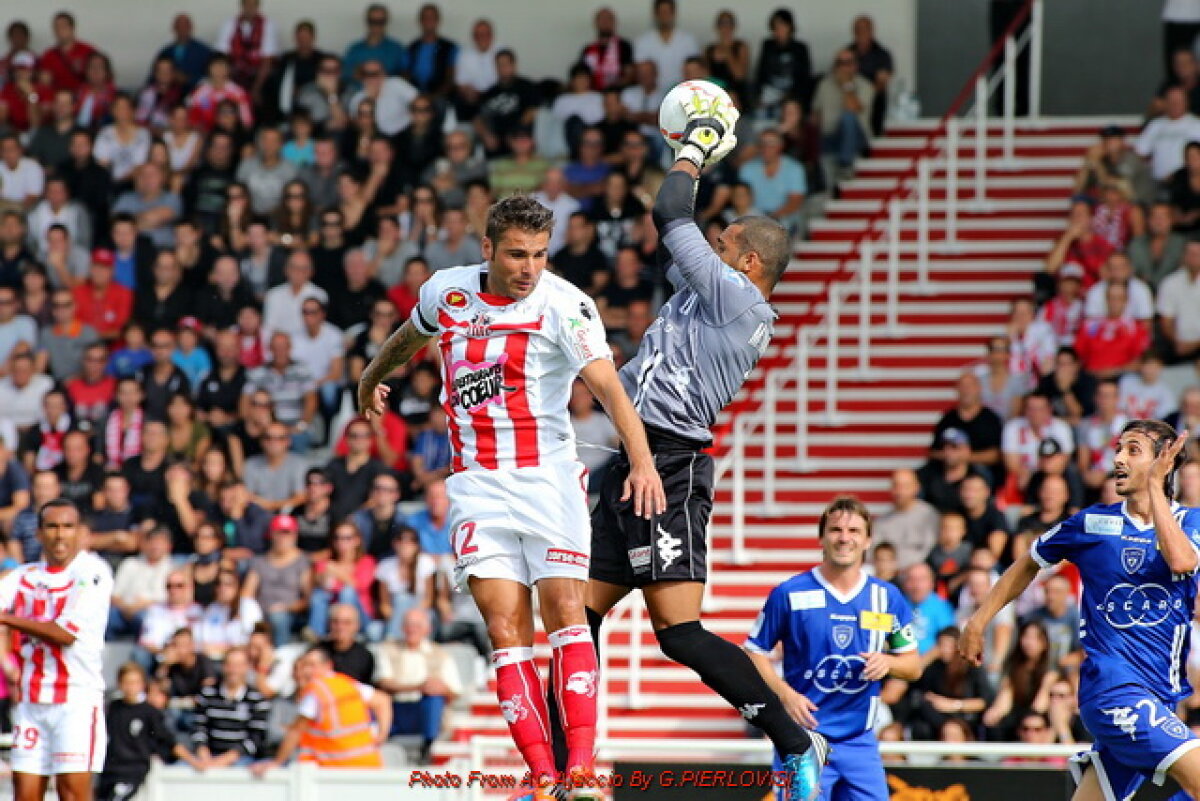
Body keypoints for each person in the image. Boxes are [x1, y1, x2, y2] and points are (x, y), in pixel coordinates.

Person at [537, 97, 826, 800]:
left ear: (748, 262)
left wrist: (696, 145)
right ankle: (568, 775)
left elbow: (671, 210)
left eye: (722, 243)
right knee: (576, 619)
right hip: (632, 456)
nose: (709, 247)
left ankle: (795, 744)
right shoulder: (712, 294)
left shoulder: (738, 300)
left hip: (669, 465)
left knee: (678, 631)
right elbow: (666, 218)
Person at [357, 191, 666, 793]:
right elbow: (410, 335)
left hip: (548, 480)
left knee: (567, 615)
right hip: (477, 486)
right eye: (518, 255)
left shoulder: (565, 305)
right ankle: (543, 776)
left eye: (541, 254)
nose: (530, 268)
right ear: (488, 249)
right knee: (505, 632)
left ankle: (582, 768)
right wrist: (371, 377)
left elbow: (609, 387)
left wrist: (642, 462)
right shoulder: (447, 291)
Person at [962, 419, 1200, 800]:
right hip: (1114, 689)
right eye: (1118, 449)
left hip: (1160, 694)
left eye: (1133, 450)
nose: (1118, 459)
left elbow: (1182, 560)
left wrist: (1155, 489)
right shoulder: (1092, 522)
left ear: (1164, 462)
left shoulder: (1192, 522)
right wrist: (978, 621)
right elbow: (1028, 562)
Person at [745, 497, 920, 801]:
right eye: (836, 530)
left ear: (867, 540)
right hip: (802, 740)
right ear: (821, 538)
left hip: (860, 742)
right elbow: (753, 652)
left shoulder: (886, 597)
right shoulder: (790, 593)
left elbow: (913, 666)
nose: (844, 538)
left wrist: (888, 663)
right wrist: (785, 695)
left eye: (854, 531)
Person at [0, 498, 114, 801]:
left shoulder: (93, 572)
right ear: (39, 533)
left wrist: (6, 619)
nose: (60, 534)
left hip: (75, 700)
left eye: (67, 526)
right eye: (52, 526)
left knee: (72, 794)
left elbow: (64, 634)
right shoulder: (24, 576)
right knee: (24, 795)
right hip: (31, 701)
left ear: (81, 532)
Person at [250, 645, 390, 774]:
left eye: (312, 665)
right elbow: (383, 700)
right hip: (366, 765)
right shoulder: (347, 683)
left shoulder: (316, 691)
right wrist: (382, 733)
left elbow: (296, 731)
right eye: (305, 665)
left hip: (337, 768)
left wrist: (277, 762)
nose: (307, 670)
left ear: (327, 665)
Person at [99, 662, 202, 801]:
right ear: (119, 684)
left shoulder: (149, 712)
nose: (130, 687)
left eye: (135, 682)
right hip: (109, 770)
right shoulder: (113, 708)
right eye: (127, 682)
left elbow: (168, 740)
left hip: (132, 771)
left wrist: (193, 761)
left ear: (142, 685)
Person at [374, 607, 461, 764]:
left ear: (428, 629)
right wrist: (419, 687)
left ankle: (428, 746)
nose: (412, 629)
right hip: (394, 709)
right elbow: (383, 682)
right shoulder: (388, 649)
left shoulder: (441, 654)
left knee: (434, 699)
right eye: (409, 625)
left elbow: (454, 691)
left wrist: (441, 688)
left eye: (417, 625)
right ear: (402, 627)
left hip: (422, 710)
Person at [193, 647, 271, 767]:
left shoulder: (257, 700)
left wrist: (226, 759)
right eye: (230, 665)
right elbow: (198, 727)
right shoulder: (207, 694)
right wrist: (203, 751)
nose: (233, 670)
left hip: (242, 760)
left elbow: (256, 739)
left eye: (239, 665)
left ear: (247, 667)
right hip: (209, 756)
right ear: (223, 666)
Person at [873, 468, 940, 570]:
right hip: (889, 573)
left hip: (919, 572)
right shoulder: (882, 521)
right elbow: (875, 551)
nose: (900, 491)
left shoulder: (929, 515)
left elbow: (931, 550)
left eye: (905, 486)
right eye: (896, 486)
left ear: (916, 488)